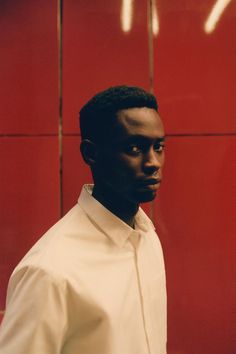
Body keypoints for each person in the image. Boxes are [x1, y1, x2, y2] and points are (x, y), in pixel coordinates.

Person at [0, 85, 167, 354]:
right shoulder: (49, 272)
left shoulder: (147, 238)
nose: (153, 162)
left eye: (158, 146)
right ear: (90, 153)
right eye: (134, 148)